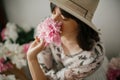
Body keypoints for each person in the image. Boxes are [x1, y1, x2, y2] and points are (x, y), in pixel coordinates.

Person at [27, 0, 107, 80]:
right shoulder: (46, 30)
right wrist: (33, 58)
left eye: (63, 18)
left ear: (81, 23)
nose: (53, 20)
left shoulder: (91, 57)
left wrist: (32, 58)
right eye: (54, 12)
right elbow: (44, 73)